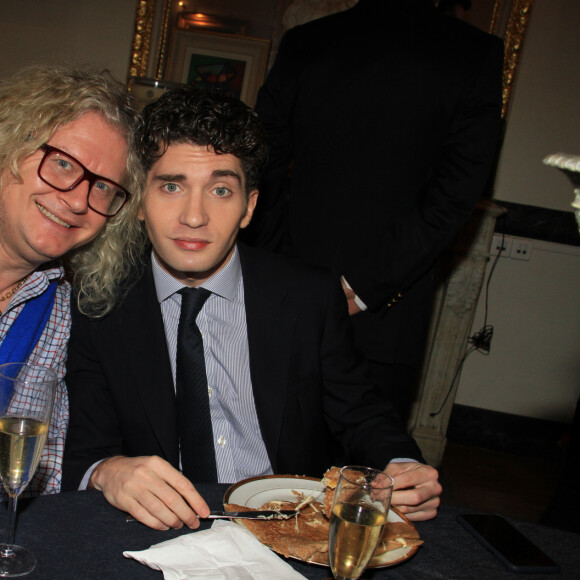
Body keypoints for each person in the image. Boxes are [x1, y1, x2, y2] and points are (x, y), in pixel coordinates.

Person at [62, 86, 441, 531]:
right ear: (141, 201)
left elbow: (361, 411)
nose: (194, 216)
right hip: (160, 528)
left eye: (221, 190)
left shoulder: (308, 297)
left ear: (249, 207)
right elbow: (83, 452)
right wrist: (108, 471)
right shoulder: (99, 303)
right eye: (170, 186)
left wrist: (401, 464)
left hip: (290, 525)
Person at [242, 0, 504, 420]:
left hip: (293, 293)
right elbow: (454, 195)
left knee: (271, 460)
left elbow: (259, 166)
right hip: (386, 312)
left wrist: (281, 266)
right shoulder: (475, 52)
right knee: (360, 467)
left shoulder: (307, 41)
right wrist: (364, 287)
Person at [0, 64, 139, 497]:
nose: (79, 200)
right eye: (62, 163)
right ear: (9, 146)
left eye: (102, 188)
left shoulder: (61, 315)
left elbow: (45, 477)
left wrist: (104, 473)